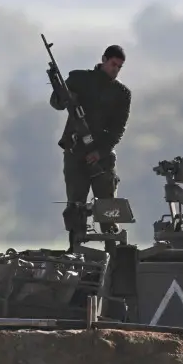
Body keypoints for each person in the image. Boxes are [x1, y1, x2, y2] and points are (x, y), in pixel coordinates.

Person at [49, 44, 131, 248]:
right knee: (76, 206)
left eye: (119, 67)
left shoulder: (121, 93)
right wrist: (64, 94)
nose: (115, 69)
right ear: (104, 59)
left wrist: (99, 152)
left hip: (102, 157)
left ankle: (112, 254)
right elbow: (56, 103)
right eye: (113, 64)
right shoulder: (79, 79)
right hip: (75, 152)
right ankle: (75, 251)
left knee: (108, 209)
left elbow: (117, 130)